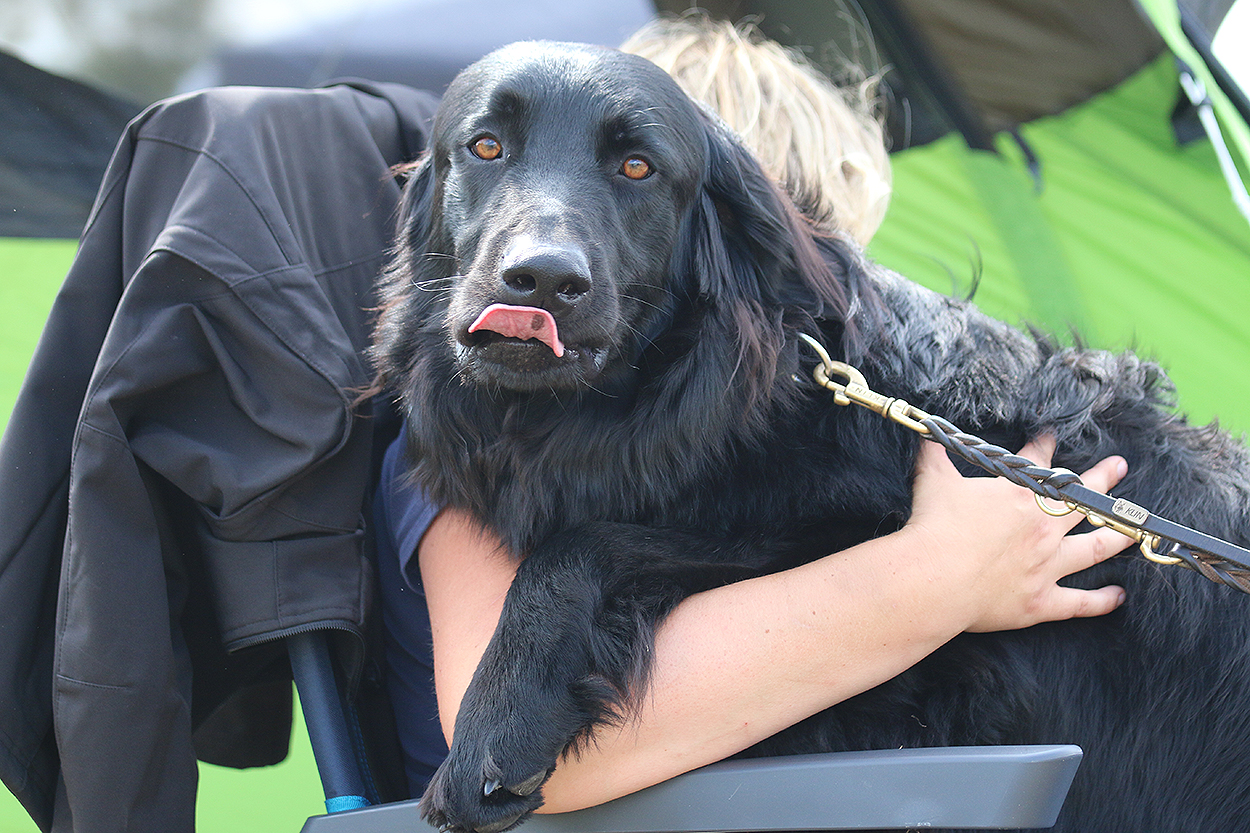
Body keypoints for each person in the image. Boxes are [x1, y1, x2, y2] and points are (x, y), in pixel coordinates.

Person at [375, 14, 1135, 811]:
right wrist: (943, 576)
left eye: (837, 250)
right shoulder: (468, 439)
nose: (818, 299)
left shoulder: (783, 423)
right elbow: (519, 755)